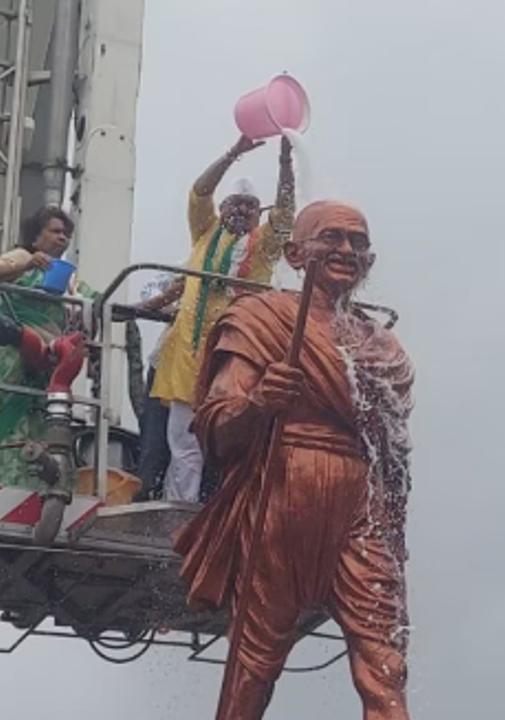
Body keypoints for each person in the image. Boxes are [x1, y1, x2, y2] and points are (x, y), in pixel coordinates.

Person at [173, 200, 415, 720]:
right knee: (255, 662)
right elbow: (215, 423)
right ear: (295, 253)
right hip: (283, 492)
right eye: (332, 238)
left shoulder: (381, 345)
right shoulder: (261, 318)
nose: (346, 250)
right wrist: (260, 401)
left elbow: (394, 447)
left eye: (357, 242)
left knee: (385, 660)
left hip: (361, 505)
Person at [150, 135, 296, 503]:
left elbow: (286, 214)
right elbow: (199, 192)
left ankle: (227, 516)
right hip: (189, 357)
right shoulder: (205, 233)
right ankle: (178, 511)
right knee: (183, 445)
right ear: (223, 207)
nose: (241, 211)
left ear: (257, 214)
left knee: (235, 442)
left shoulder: (262, 246)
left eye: (250, 206)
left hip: (236, 360)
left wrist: (284, 165)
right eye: (234, 204)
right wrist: (232, 154)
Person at [0, 206, 97, 488]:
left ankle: (43, 484)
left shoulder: (71, 281)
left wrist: (152, 305)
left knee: (46, 424)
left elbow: (99, 303)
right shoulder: (23, 257)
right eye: (55, 231)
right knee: (6, 422)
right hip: (11, 356)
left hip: (47, 367)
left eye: (66, 234)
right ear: (36, 238)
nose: (62, 238)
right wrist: (27, 265)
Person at [134, 272, 185, 498]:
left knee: (191, 445)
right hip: (167, 361)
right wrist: (167, 305)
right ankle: (145, 497)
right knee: (155, 441)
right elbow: (150, 287)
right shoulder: (194, 264)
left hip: (209, 367)